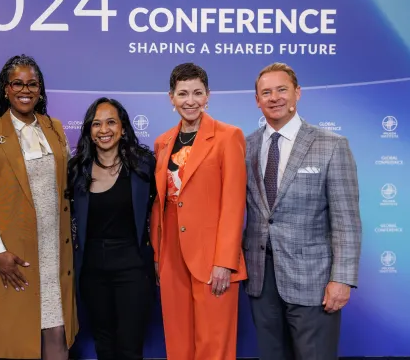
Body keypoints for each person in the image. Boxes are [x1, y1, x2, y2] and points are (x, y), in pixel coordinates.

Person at [244, 62, 362, 360]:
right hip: (261, 279)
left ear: (297, 93)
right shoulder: (245, 146)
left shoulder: (332, 145)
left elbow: (346, 220)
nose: (274, 98)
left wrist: (342, 278)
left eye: (282, 89)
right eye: (266, 92)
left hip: (315, 281)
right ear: (257, 100)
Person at [0, 54, 77, 359]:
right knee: (16, 340)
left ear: (40, 90)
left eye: (32, 84)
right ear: (5, 89)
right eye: (17, 83)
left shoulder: (54, 129)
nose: (25, 90)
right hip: (14, 256)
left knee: (56, 334)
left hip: (54, 253)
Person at [150, 63, 247, 359]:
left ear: (208, 96)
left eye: (197, 93)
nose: (190, 100)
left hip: (212, 259)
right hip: (171, 255)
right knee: (178, 340)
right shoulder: (163, 142)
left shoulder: (228, 136)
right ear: (171, 98)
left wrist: (225, 262)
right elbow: (160, 202)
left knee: (213, 343)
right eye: (182, 93)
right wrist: (158, 255)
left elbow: (233, 203)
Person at [67, 98, 156, 360]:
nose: (103, 129)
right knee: (103, 344)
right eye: (96, 123)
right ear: (89, 131)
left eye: (110, 122)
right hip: (92, 272)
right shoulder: (76, 170)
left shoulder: (144, 166)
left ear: (123, 129)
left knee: (130, 346)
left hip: (133, 269)